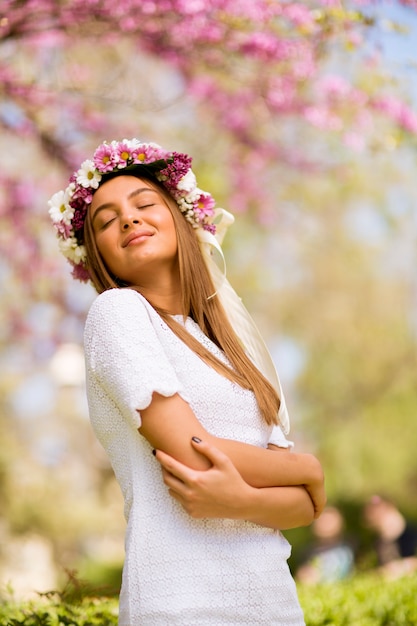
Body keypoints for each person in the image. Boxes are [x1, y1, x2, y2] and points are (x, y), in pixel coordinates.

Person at [49, 138, 326, 625]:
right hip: (181, 600)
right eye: (107, 220)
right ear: (98, 255)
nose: (129, 220)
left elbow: (303, 508)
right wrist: (309, 468)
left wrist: (242, 499)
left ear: (179, 217)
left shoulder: (229, 344)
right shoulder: (118, 314)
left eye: (143, 205)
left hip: (274, 603)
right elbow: (191, 452)